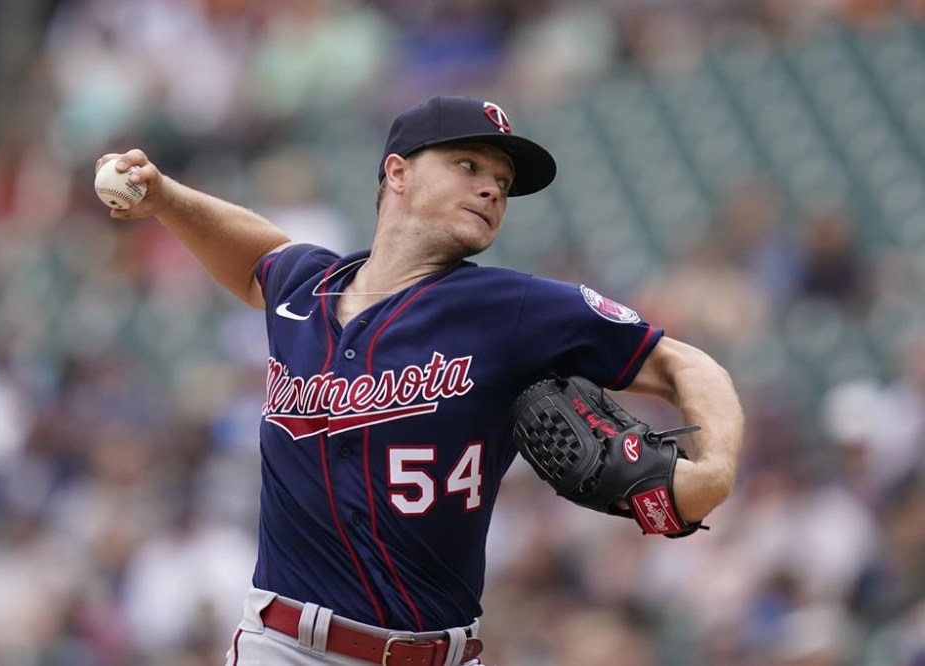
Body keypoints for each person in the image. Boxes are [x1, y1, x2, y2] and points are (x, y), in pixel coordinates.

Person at [94, 95, 745, 666]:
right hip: (287, 648)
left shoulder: (514, 308)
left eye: (502, 179)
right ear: (397, 173)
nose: (492, 188)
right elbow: (258, 261)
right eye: (468, 166)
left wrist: (712, 472)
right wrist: (165, 198)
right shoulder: (307, 289)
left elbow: (683, 363)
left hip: (442, 651)